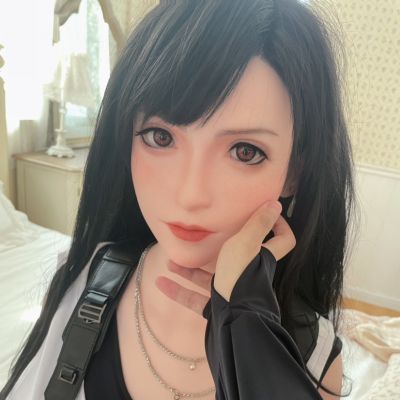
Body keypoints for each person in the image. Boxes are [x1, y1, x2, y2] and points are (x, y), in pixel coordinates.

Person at [1, 0, 358, 398]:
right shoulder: (81, 279)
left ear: (294, 174)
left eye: (244, 151)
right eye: (160, 137)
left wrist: (253, 350)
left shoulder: (314, 357)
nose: (190, 194)